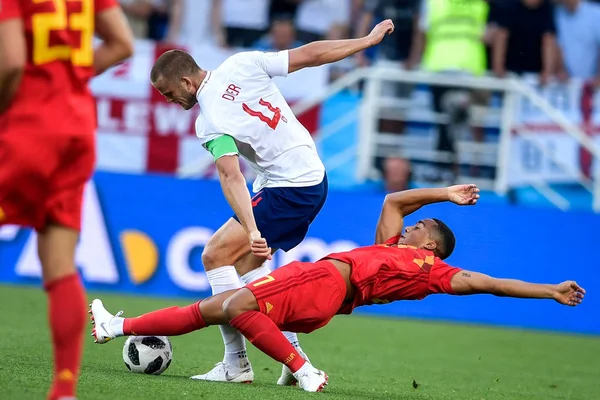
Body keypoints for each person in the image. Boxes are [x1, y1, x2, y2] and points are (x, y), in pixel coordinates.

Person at [89, 184, 585, 393]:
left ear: (431, 242)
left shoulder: (428, 268)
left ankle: (302, 369)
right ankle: (116, 326)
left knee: (234, 305)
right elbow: (395, 199)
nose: (408, 227)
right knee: (215, 307)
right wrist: (446, 193)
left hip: (325, 279)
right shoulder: (395, 249)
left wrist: (548, 290)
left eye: (420, 227)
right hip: (325, 300)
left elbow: (488, 283)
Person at [145, 19, 396, 385]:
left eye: (169, 94)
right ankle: (291, 356)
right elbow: (310, 55)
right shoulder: (241, 63)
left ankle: (236, 364)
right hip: (311, 174)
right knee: (248, 264)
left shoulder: (210, 119)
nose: (171, 101)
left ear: (186, 81)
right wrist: (366, 41)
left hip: (290, 186)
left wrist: (250, 228)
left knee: (215, 255)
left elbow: (232, 176)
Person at [0, 2, 134, 400]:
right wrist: (70, 78)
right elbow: (122, 43)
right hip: (77, 128)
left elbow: (10, 64)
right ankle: (63, 389)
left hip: (28, 126)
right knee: (59, 264)